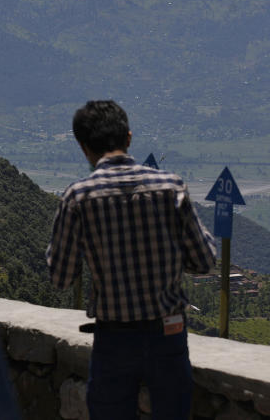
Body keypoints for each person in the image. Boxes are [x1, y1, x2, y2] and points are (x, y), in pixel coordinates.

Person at [46, 100, 217, 420]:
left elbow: (60, 277)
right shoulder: (171, 188)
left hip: (114, 338)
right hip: (169, 332)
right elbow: (204, 260)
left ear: (84, 147)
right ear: (128, 138)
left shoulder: (78, 197)